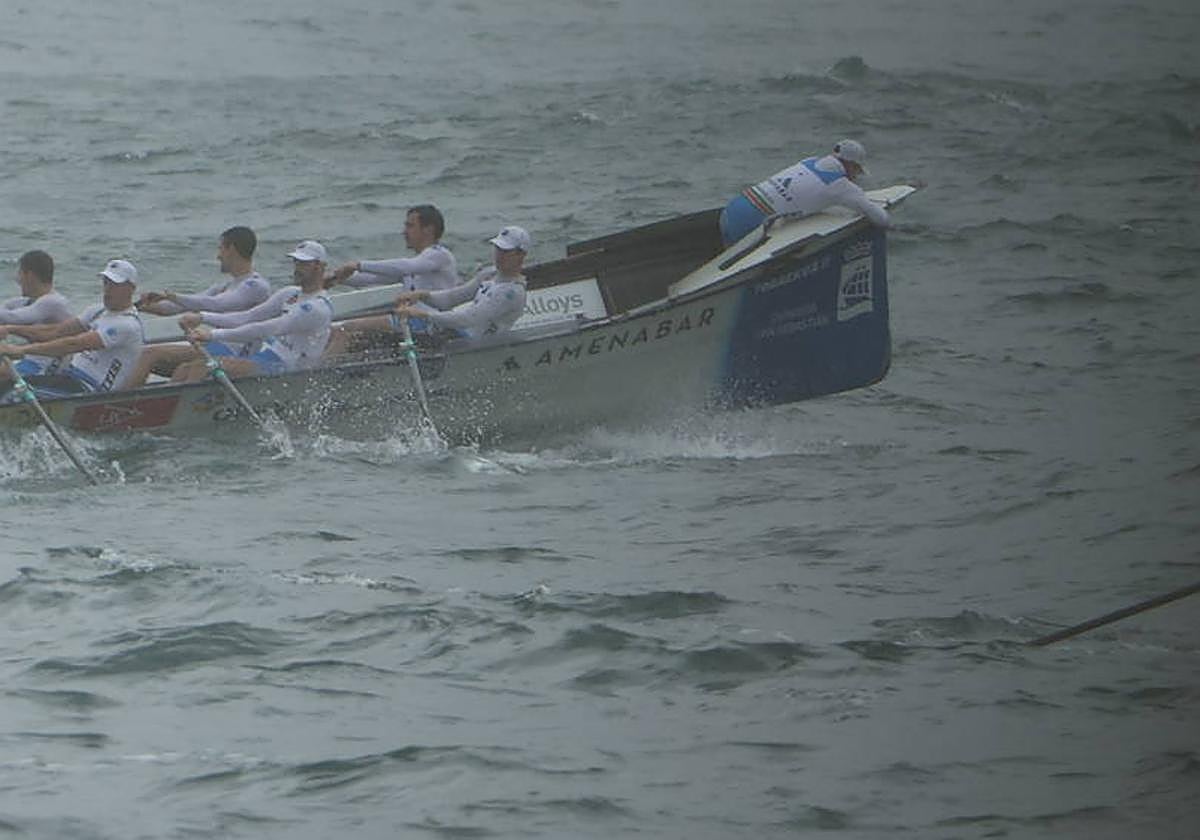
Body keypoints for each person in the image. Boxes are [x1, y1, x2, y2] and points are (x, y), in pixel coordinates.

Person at [324, 225, 530, 359]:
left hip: (465, 345)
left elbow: (467, 318)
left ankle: (312, 382)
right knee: (348, 334)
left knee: (346, 331)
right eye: (498, 249)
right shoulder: (489, 274)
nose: (499, 255)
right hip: (442, 330)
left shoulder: (511, 292)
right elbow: (452, 298)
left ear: (521, 255)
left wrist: (423, 314)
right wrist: (422, 295)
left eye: (506, 251)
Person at [127, 226, 271, 385]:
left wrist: (170, 296)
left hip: (236, 354)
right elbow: (175, 308)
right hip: (216, 347)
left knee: (150, 354)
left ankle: (123, 403)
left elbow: (217, 304)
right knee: (166, 363)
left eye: (220, 249)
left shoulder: (256, 286)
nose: (218, 256)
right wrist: (139, 305)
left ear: (232, 249)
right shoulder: (224, 286)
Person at [172, 240, 333, 382]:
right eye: (296, 262)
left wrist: (212, 335)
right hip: (266, 358)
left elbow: (265, 329)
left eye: (304, 264)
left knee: (200, 369)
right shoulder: (289, 293)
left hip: (287, 369)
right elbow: (248, 317)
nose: (297, 268)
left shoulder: (317, 308)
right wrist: (202, 317)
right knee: (184, 369)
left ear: (319, 266)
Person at [0, 259, 144, 398]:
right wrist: (11, 329)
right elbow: (56, 332)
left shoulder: (127, 325)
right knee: (6, 384)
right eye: (106, 283)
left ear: (131, 289)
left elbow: (73, 344)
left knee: (14, 396)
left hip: (90, 391)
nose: (108, 289)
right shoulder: (97, 310)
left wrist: (20, 350)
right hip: (68, 377)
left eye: (114, 285)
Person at [719, 138, 890, 246]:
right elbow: (881, 219)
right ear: (851, 165)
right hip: (749, 224)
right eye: (858, 171)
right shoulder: (840, 186)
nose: (857, 176)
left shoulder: (809, 161)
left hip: (731, 209)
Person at [326, 204, 458, 293]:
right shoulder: (420, 264)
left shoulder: (439, 255)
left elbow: (406, 266)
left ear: (428, 230)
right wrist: (334, 278)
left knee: (347, 328)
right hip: (414, 321)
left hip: (433, 324)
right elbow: (371, 279)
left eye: (410, 226)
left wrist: (357, 265)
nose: (404, 232)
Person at [0, 250, 74, 378]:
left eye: (20, 273)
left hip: (45, 369)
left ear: (29, 275)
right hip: (30, 359)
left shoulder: (54, 302)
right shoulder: (30, 301)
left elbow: (14, 318)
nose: (17, 279)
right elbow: (4, 309)